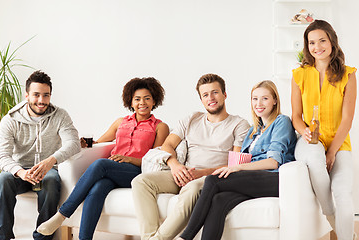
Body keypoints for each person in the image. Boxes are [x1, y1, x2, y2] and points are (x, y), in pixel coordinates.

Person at [37, 77, 169, 240]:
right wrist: (85, 145)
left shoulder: (160, 127)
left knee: (101, 164)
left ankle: (62, 214)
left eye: (147, 98)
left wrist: (130, 160)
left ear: (154, 100)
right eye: (137, 99)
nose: (142, 102)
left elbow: (156, 160)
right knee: (98, 187)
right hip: (114, 170)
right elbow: (100, 141)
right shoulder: (120, 122)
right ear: (131, 101)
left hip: (138, 172)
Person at [131, 73, 251, 240]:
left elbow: (233, 165)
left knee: (193, 188)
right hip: (182, 173)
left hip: (210, 178)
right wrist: (175, 165)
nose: (211, 98)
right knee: (140, 182)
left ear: (225, 94)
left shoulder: (239, 124)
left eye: (215, 92)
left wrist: (200, 174)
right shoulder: (191, 119)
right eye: (205, 94)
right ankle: (149, 237)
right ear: (201, 99)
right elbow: (168, 145)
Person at [178, 80, 297, 240]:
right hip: (254, 180)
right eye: (254, 99)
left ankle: (185, 237)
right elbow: (242, 157)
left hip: (274, 178)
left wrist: (238, 168)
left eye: (265, 98)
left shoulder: (281, 122)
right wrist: (235, 166)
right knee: (219, 200)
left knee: (213, 180)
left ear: (275, 100)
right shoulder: (253, 131)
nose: (258, 103)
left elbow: (273, 162)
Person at [291, 20, 357, 240]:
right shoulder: (299, 75)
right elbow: (296, 116)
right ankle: (330, 216)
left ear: (331, 42)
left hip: (339, 143)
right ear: (306, 46)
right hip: (310, 140)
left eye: (322, 40)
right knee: (314, 156)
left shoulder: (348, 75)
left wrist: (332, 152)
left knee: (344, 196)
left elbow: (347, 119)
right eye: (311, 42)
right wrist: (304, 131)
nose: (317, 46)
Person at [0, 70, 81, 240]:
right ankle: (2, 236)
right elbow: (2, 155)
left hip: (48, 170)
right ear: (27, 95)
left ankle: (43, 236)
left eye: (46, 95)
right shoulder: (10, 119)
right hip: (20, 171)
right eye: (36, 95)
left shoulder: (60, 115)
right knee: (3, 179)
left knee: (51, 180)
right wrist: (20, 172)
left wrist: (51, 161)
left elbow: (73, 143)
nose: (41, 101)